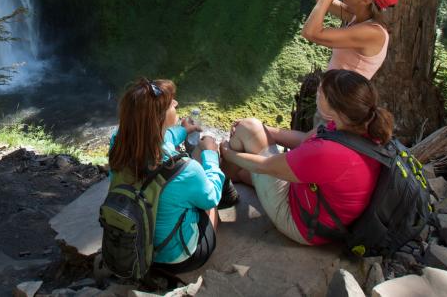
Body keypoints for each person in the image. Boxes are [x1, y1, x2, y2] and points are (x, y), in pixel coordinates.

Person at [218, 69, 393, 246]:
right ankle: (235, 175)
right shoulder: (359, 126)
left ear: (334, 106)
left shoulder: (328, 152)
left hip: (303, 225)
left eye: (321, 91)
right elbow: (304, 140)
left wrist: (229, 153)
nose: (317, 92)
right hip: (317, 205)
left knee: (248, 128)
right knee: (245, 170)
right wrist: (266, 130)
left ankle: (223, 183)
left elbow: (266, 166)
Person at [108, 77, 225, 272]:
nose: (176, 104)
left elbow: (151, 136)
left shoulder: (118, 143)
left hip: (132, 248)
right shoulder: (184, 168)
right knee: (209, 202)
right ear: (161, 118)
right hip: (174, 259)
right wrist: (212, 155)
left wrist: (182, 130)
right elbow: (211, 198)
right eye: (171, 103)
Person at [300, 0, 398, 81]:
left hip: (341, 98)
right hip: (331, 94)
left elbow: (310, 33)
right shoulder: (357, 16)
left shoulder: (372, 33)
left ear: (366, 0)